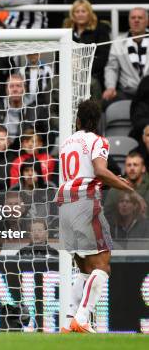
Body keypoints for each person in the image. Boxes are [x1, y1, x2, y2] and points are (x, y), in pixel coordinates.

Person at [58, 100, 147, 333]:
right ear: (98, 121)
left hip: (64, 204)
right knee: (104, 266)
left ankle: (69, 321)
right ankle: (82, 317)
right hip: (85, 203)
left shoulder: (66, 143)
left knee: (86, 268)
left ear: (77, 120)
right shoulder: (98, 141)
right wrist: (127, 188)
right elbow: (99, 170)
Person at [63, 0, 111, 100]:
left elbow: (102, 57)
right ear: (73, 14)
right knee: (54, 84)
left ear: (89, 13)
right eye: (77, 11)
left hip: (92, 75)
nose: (80, 14)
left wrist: (83, 70)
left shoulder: (100, 30)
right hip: (68, 74)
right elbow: (60, 56)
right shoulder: (66, 31)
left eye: (83, 11)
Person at [104, 8, 149, 102]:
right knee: (106, 102)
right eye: (133, 18)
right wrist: (110, 87)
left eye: (140, 18)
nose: (136, 20)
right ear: (129, 21)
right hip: (127, 92)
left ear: (147, 21)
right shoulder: (118, 42)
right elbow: (112, 68)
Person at [103, 152, 149, 221]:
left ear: (143, 168)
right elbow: (107, 214)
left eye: (135, 165)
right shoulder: (116, 187)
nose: (132, 168)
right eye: (129, 165)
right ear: (125, 168)